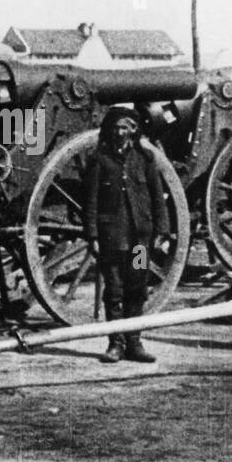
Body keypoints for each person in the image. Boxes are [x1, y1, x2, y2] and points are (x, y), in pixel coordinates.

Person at [82, 106, 170, 364]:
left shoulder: (145, 159)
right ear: (110, 130)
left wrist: (162, 231)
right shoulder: (100, 160)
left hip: (140, 241)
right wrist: (93, 236)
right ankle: (115, 344)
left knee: (137, 288)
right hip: (112, 240)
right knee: (114, 290)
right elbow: (91, 203)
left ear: (133, 130)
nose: (120, 133)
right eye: (116, 128)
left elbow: (158, 199)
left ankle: (134, 343)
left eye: (125, 128)